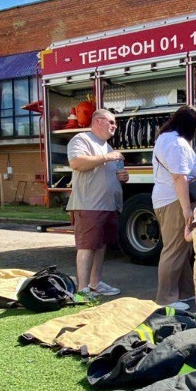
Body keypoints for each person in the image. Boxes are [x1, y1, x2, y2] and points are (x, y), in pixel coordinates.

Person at [152, 105, 196, 308]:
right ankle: (166, 299)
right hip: (174, 201)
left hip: (174, 200)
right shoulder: (176, 143)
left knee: (183, 249)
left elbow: (190, 168)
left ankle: (184, 293)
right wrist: (187, 208)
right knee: (174, 249)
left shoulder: (173, 140)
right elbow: (180, 177)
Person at [66, 108, 130, 298]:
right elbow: (76, 163)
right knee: (86, 246)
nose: (115, 126)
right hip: (89, 204)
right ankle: (83, 289)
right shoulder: (82, 140)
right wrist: (106, 158)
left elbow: (109, 174)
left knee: (100, 245)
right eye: (111, 122)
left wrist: (123, 177)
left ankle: (95, 283)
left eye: (115, 123)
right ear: (98, 121)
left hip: (108, 205)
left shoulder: (108, 147)